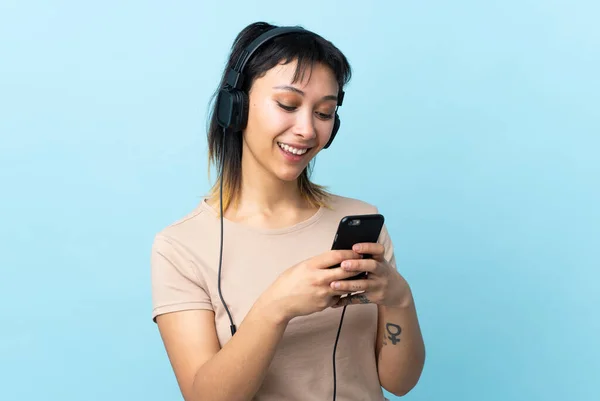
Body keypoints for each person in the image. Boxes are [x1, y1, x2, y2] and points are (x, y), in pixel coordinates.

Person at [150, 21, 425, 401]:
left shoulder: (362, 222)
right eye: (288, 105)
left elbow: (399, 382)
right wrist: (277, 307)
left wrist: (399, 299)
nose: (307, 130)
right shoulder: (180, 246)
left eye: (324, 113)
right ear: (237, 106)